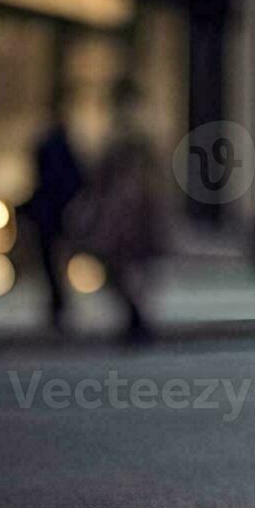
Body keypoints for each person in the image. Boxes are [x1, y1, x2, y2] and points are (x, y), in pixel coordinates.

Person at [67, 79, 166, 341]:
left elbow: (114, 172)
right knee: (125, 266)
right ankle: (135, 317)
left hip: (127, 211)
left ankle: (136, 318)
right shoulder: (131, 132)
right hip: (126, 209)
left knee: (126, 265)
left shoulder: (130, 134)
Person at [22, 103, 84, 329]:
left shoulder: (54, 147)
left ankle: (58, 305)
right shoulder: (60, 147)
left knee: (52, 262)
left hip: (52, 212)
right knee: (53, 261)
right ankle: (58, 305)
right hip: (54, 212)